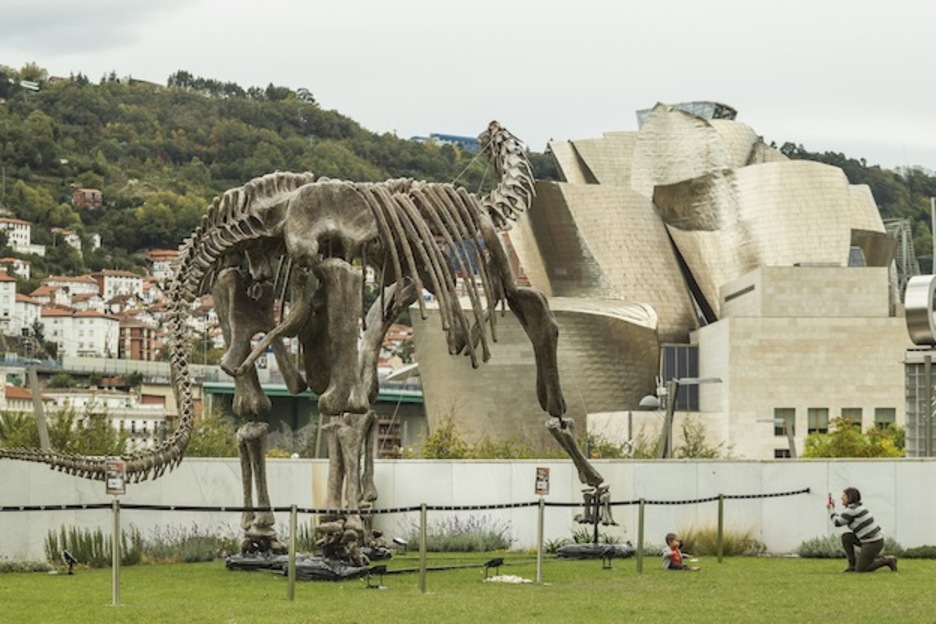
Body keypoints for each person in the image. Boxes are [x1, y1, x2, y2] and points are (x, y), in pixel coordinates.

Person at [827, 487, 897, 573]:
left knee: (860, 570)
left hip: (873, 543)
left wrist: (831, 510)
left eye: (844, 496)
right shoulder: (855, 508)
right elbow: (842, 519)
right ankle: (852, 565)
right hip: (868, 540)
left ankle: (888, 561)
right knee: (846, 537)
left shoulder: (851, 510)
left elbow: (837, 522)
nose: (841, 498)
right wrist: (833, 511)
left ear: (850, 497)